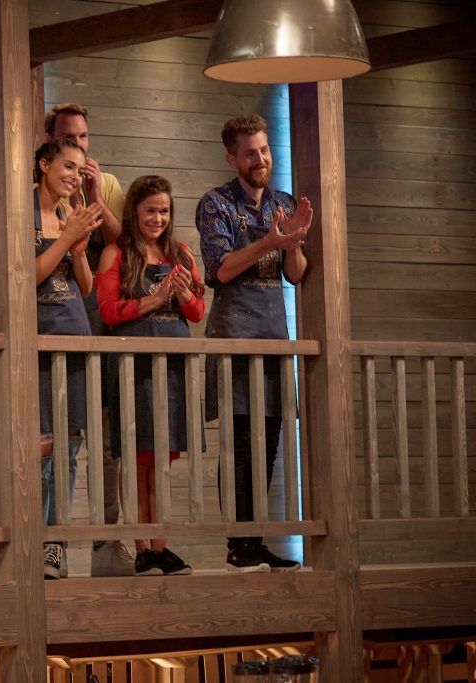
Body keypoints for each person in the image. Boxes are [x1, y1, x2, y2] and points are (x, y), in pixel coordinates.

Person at [196, 114, 312, 573]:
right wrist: (269, 241)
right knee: (240, 443)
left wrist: (293, 243)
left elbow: (295, 275)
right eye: (250, 153)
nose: (260, 159)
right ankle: (238, 545)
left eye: (264, 150)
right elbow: (221, 269)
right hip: (235, 338)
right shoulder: (216, 203)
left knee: (270, 442)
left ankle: (255, 540)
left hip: (274, 339)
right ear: (232, 158)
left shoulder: (283, 202)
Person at [97, 175, 205, 576]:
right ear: (134, 211)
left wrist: (183, 294)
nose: (158, 218)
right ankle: (142, 545)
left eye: (164, 211)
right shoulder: (116, 253)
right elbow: (109, 312)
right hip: (135, 369)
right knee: (137, 459)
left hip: (172, 369)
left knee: (162, 461)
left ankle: (161, 545)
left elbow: (197, 313)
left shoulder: (181, 252)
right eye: (150, 211)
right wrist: (155, 298)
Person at [44, 103, 132, 577]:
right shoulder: (39, 195)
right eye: (68, 139)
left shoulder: (106, 184)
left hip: (99, 328)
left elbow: (124, 245)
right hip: (51, 331)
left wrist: (96, 197)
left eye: (83, 137)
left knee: (105, 445)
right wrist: (68, 239)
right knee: (55, 445)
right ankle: (49, 544)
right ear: (48, 147)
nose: (78, 147)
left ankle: (105, 545)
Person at [33, 138, 103, 579]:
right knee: (42, 448)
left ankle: (55, 544)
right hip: (40, 344)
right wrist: (67, 238)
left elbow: (87, 286)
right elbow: (29, 275)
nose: (74, 176)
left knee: (70, 449)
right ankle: (36, 539)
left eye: (79, 169)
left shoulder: (68, 213)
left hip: (76, 337)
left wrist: (78, 249)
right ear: (44, 165)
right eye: (67, 166)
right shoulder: (25, 212)